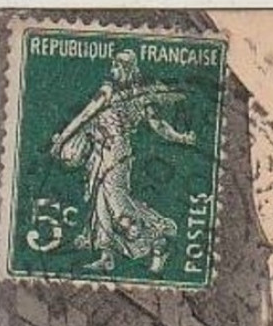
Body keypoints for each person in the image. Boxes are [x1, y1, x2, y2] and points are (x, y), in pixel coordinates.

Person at [50, 50, 195, 273]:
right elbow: (160, 126)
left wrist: (61, 140)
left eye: (116, 66)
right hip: (107, 151)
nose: (112, 70)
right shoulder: (141, 96)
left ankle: (159, 241)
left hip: (112, 152)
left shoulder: (108, 92)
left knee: (118, 205)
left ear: (125, 68)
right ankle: (106, 256)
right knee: (101, 204)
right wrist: (181, 137)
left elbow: (84, 116)